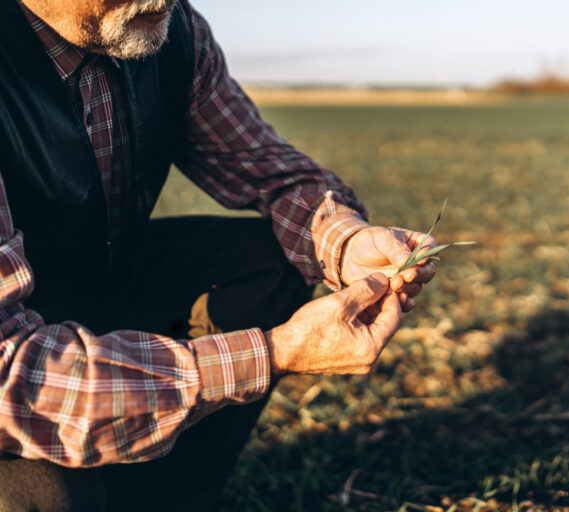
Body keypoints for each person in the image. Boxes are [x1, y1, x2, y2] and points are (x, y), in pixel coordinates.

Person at [0, 0, 437, 509]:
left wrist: (346, 241)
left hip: (93, 285)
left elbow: (267, 167)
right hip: (19, 365)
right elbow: (12, 380)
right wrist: (276, 352)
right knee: (45, 499)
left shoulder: (170, 31)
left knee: (266, 261)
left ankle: (165, 496)